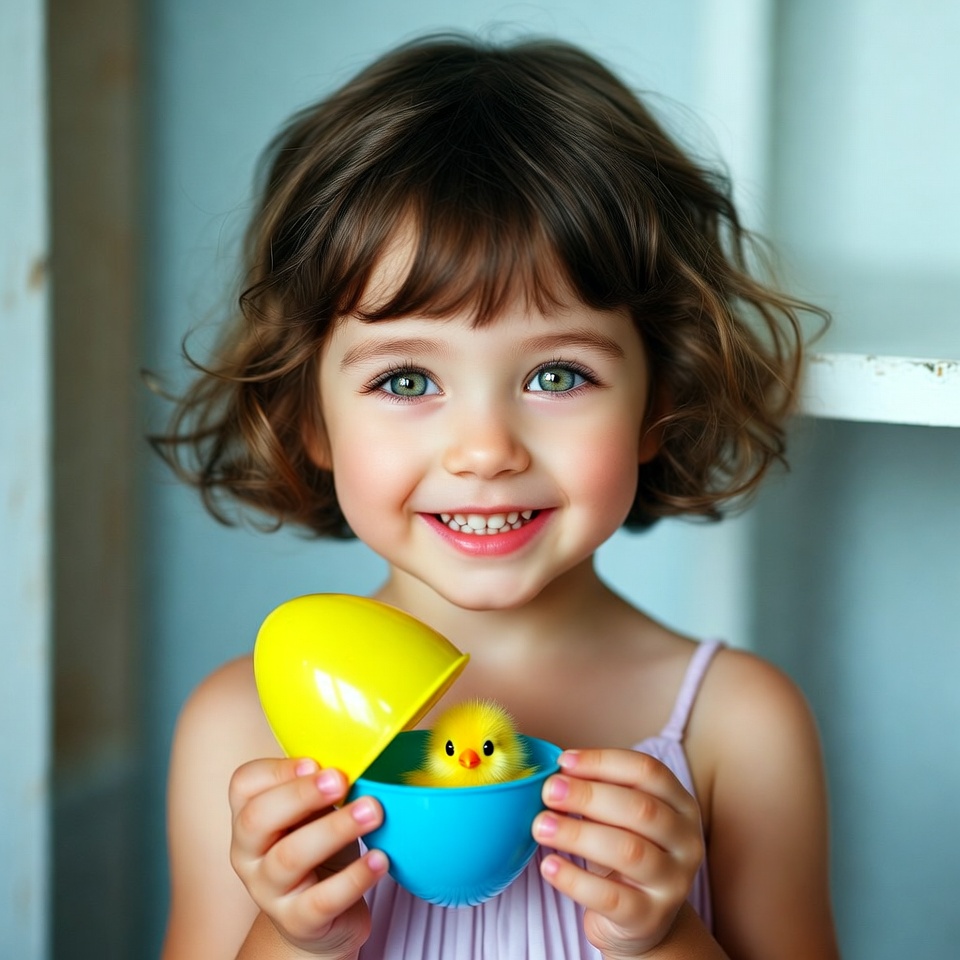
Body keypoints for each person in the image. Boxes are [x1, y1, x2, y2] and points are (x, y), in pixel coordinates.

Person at [154, 34, 840, 960]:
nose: (485, 451)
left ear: (659, 405)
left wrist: (660, 935)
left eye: (558, 376)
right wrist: (296, 938)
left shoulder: (739, 728)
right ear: (309, 416)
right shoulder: (240, 731)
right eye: (405, 380)